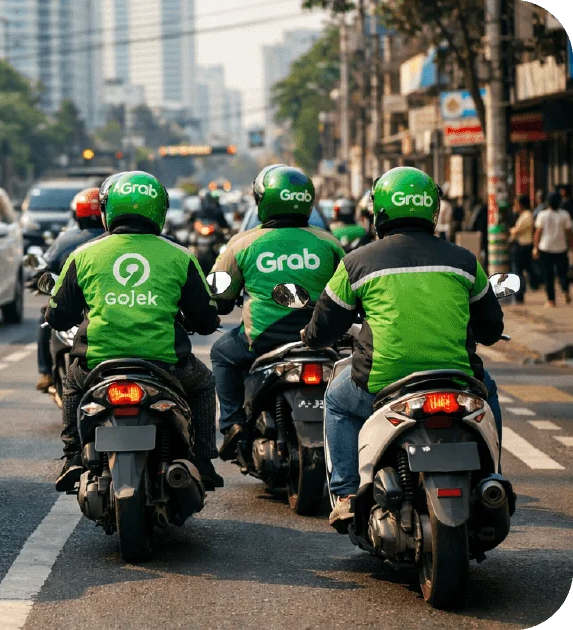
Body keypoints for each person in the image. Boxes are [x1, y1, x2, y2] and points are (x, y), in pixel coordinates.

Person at [302, 167, 506, 531]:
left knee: (336, 400)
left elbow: (324, 327)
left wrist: (310, 337)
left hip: (383, 384)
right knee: (488, 392)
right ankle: (494, 476)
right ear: (433, 211)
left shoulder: (357, 262)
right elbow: (492, 330)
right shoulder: (465, 261)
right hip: (457, 382)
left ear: (380, 212)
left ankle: (347, 494)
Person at [46, 171, 223, 492]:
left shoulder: (83, 255)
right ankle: (202, 460)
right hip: (167, 365)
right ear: (160, 210)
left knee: (70, 385)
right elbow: (207, 319)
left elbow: (57, 317)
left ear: (108, 209)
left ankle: (72, 457)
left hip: (96, 365)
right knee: (203, 384)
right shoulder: (180, 255)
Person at [210, 166, 345, 460]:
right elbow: (351, 292)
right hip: (320, 339)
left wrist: (217, 306)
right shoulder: (329, 242)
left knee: (221, 352)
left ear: (262, 201)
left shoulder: (242, 243)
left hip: (261, 340)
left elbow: (218, 295)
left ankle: (232, 424)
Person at [36, 187, 107, 392]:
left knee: (46, 318)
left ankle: (46, 372)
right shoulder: (118, 242)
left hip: (72, 303)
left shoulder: (67, 240)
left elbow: (46, 265)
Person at [534, 191, 573, 307]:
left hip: (545, 247)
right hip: (561, 247)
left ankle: (551, 300)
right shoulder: (565, 214)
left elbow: (538, 233)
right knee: (563, 272)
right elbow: (569, 232)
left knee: (548, 275)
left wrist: (535, 248)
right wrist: (571, 246)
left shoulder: (542, 215)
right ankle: (565, 290)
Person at [508, 194, 535, 304]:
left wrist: (512, 230)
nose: (515, 206)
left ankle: (519, 293)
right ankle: (520, 292)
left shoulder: (526, 216)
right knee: (521, 269)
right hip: (521, 246)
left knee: (517, 270)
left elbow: (516, 230)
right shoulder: (522, 215)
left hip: (522, 246)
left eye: (516, 204)